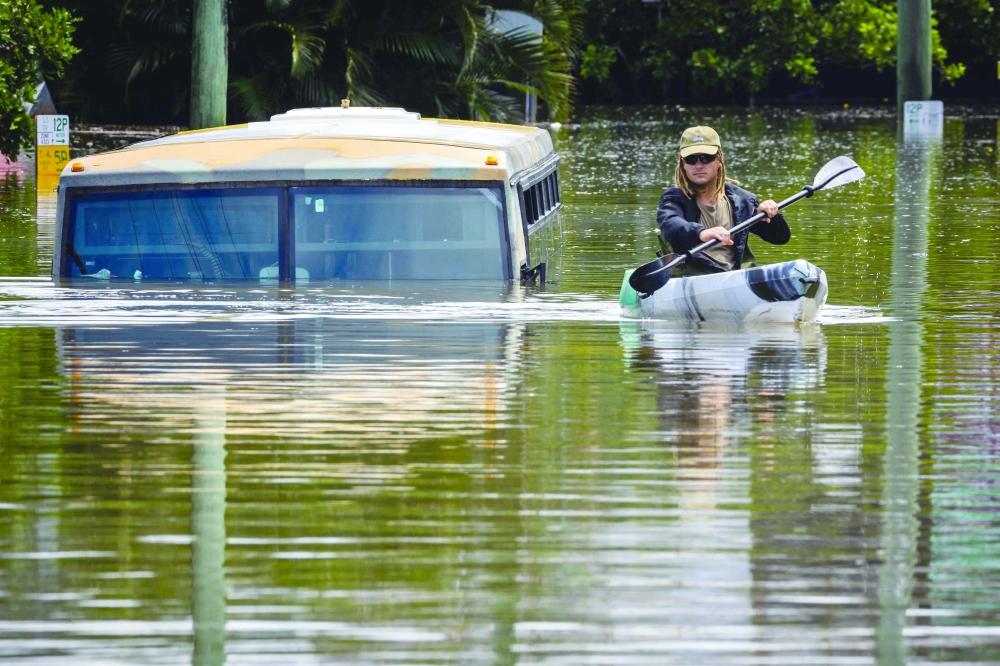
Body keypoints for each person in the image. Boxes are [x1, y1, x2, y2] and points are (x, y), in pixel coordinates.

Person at [656, 126, 790, 276]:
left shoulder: (743, 200)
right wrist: (701, 233)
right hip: (693, 277)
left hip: (734, 278)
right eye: (691, 159)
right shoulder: (673, 199)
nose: (699, 165)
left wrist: (770, 216)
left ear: (719, 160)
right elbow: (670, 223)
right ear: (683, 164)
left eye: (706, 158)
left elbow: (780, 238)